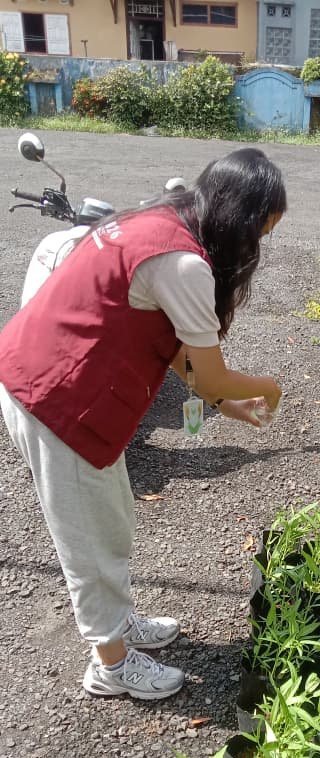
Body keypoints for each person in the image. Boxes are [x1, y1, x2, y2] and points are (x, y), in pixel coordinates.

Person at [0, 147, 285, 702]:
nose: (257, 249)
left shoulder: (161, 220)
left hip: (62, 378)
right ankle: (108, 663)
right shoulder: (184, 264)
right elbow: (213, 372)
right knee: (87, 536)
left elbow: (178, 352)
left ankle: (121, 624)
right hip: (54, 395)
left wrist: (225, 406)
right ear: (239, 220)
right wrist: (268, 388)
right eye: (260, 234)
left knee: (111, 518)